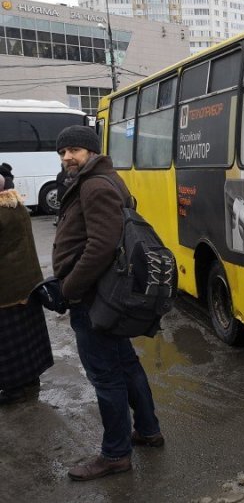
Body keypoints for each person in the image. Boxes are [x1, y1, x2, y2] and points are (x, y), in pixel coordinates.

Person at [51, 125, 164, 482]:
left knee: (106, 376)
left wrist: (69, 287)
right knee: (126, 364)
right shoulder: (101, 178)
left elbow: (100, 246)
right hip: (104, 294)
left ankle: (115, 454)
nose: (67, 157)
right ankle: (148, 430)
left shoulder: (95, 185)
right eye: (62, 152)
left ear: (90, 151)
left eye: (74, 150)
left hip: (94, 296)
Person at [0, 174, 53, 404]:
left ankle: (14, 390)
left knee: (8, 343)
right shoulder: (16, 206)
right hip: (28, 285)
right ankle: (31, 379)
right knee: (29, 337)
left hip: (6, 289)